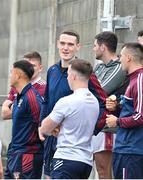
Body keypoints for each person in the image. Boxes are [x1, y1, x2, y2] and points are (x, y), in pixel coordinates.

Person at [43, 30, 107, 178]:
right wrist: (44, 126)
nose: (66, 48)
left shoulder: (84, 72)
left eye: (70, 44)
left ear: (78, 47)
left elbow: (103, 104)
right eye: (63, 43)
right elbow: (46, 102)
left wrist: (92, 129)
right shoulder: (52, 71)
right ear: (57, 44)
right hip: (52, 140)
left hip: (73, 146)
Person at [39, 59, 99, 179]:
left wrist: (53, 127)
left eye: (68, 75)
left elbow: (44, 128)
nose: (66, 78)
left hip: (66, 158)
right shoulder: (94, 101)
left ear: (74, 76)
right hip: (85, 161)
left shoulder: (66, 101)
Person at [92, 31, 128, 179]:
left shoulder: (118, 67)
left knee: (103, 170)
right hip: (94, 124)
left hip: (107, 127)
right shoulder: (99, 67)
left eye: (95, 46)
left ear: (103, 47)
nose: (93, 49)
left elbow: (100, 91)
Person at [106, 42, 143, 179]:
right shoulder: (134, 80)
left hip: (131, 150)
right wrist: (116, 108)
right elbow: (132, 110)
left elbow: (140, 116)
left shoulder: (140, 79)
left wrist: (118, 121)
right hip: (127, 149)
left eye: (120, 56)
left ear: (128, 58)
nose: (119, 59)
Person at [4, 60, 44, 179]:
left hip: (27, 156)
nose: (10, 75)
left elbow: (42, 125)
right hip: (14, 154)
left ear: (18, 75)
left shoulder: (32, 98)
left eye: (12, 72)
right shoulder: (18, 96)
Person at [1, 51, 46, 120]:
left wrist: (13, 107)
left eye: (33, 66)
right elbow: (4, 114)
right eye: (26, 66)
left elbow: (37, 114)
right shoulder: (16, 85)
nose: (28, 69)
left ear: (40, 68)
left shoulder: (44, 87)